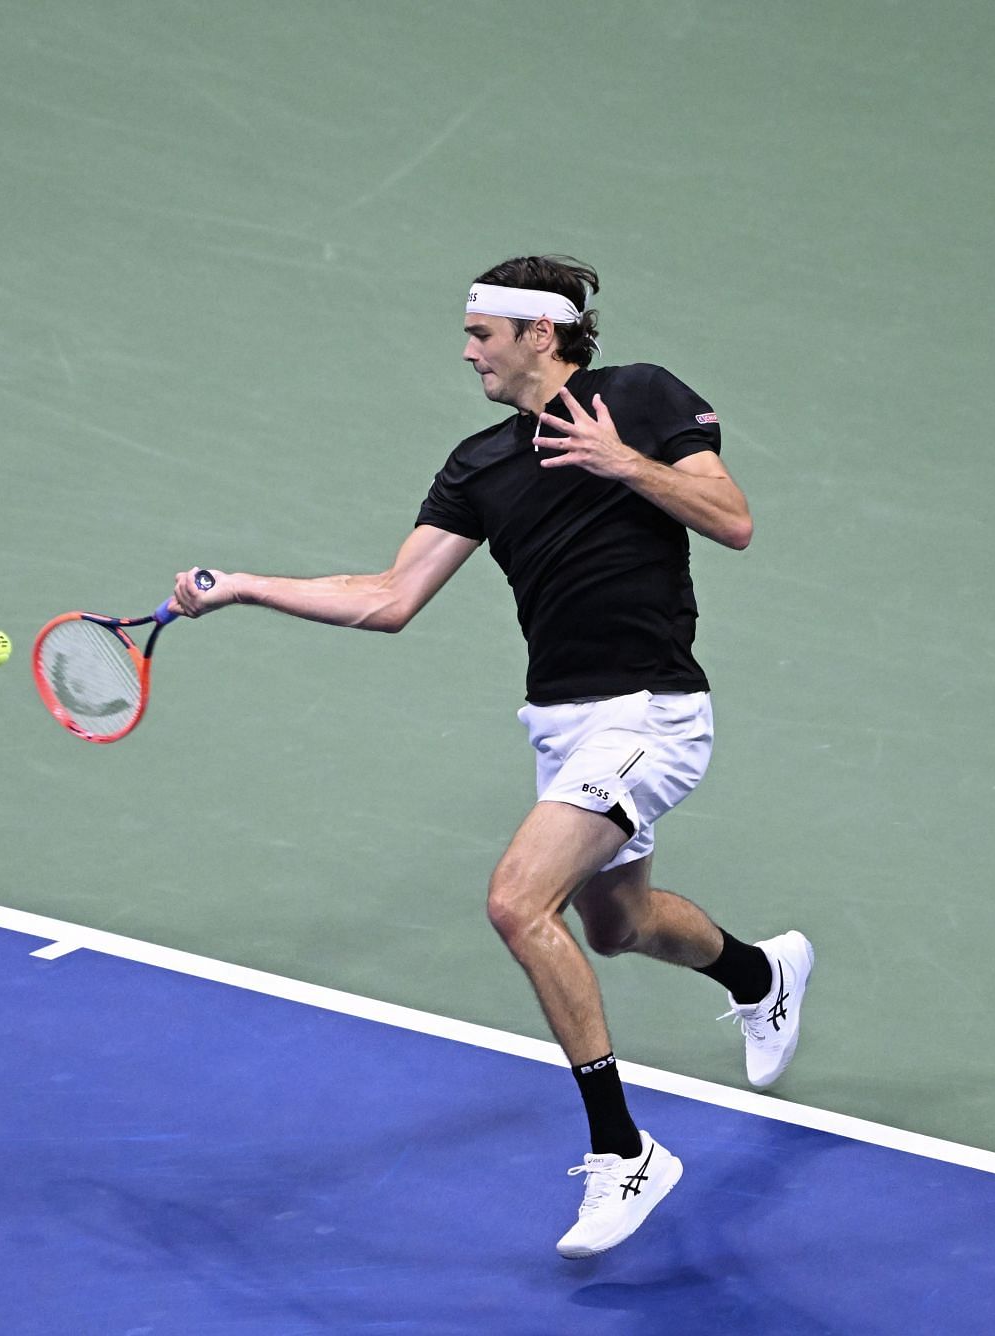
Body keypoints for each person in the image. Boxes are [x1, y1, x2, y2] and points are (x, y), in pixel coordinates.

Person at [171, 255, 813, 1259]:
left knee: (519, 902)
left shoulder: (639, 398)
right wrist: (247, 584)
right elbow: (389, 597)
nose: (467, 347)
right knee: (617, 921)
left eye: (483, 331)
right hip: (560, 724)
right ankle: (759, 972)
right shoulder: (478, 464)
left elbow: (731, 519)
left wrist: (622, 465)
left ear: (541, 334)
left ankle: (624, 1150)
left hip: (650, 712)